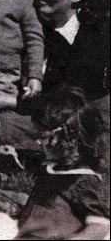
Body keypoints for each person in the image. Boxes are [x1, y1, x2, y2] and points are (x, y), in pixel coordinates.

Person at [0, 0, 110, 155]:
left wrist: (4, 100)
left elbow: (73, 101)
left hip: (74, 124)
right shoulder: (31, 28)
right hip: (34, 119)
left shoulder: (96, 40)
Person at [17, 102, 110, 239]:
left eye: (43, 138)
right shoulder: (51, 170)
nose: (38, 142)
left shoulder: (81, 181)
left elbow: (100, 226)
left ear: (65, 139)